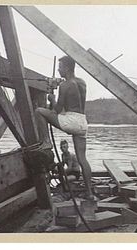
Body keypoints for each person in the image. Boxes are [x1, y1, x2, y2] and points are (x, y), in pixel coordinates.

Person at [35, 55, 94, 200]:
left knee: (39, 112)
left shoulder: (65, 85)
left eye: (60, 67)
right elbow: (72, 92)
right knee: (82, 159)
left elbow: (56, 110)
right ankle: (90, 193)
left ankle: (46, 142)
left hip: (71, 121)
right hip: (82, 121)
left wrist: (52, 97)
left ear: (67, 68)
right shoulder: (82, 83)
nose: (58, 69)